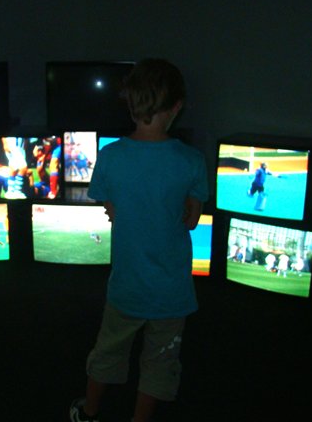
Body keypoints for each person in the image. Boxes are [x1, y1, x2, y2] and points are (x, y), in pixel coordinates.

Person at [70, 59, 209, 422]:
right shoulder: (192, 160)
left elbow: (113, 211)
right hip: (172, 290)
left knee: (108, 352)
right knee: (161, 360)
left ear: (129, 104)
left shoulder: (110, 157)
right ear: (176, 107)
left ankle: (89, 412)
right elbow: (191, 220)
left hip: (127, 286)